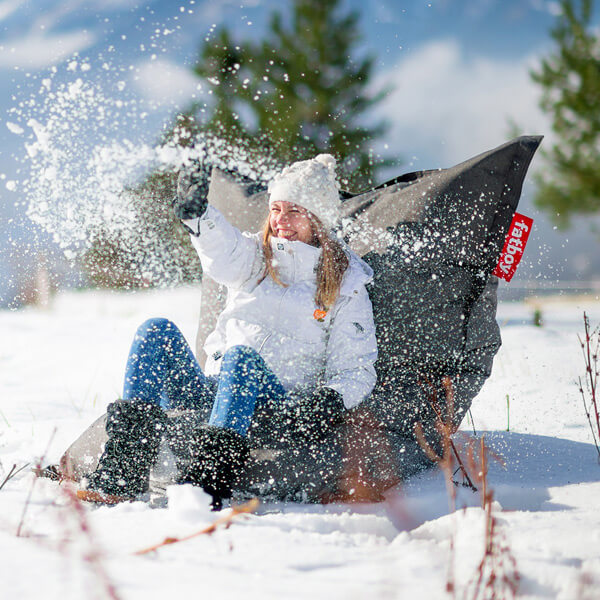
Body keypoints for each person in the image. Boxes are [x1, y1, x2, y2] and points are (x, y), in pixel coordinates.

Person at [77, 154, 378, 508]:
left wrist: (329, 399)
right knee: (155, 330)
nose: (281, 220)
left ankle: (207, 484)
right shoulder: (255, 256)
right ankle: (124, 468)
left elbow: (356, 369)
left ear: (318, 218)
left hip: (276, 403)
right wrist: (197, 215)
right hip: (216, 390)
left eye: (294, 211)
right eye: (276, 208)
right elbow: (222, 251)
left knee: (242, 358)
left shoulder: (347, 285)